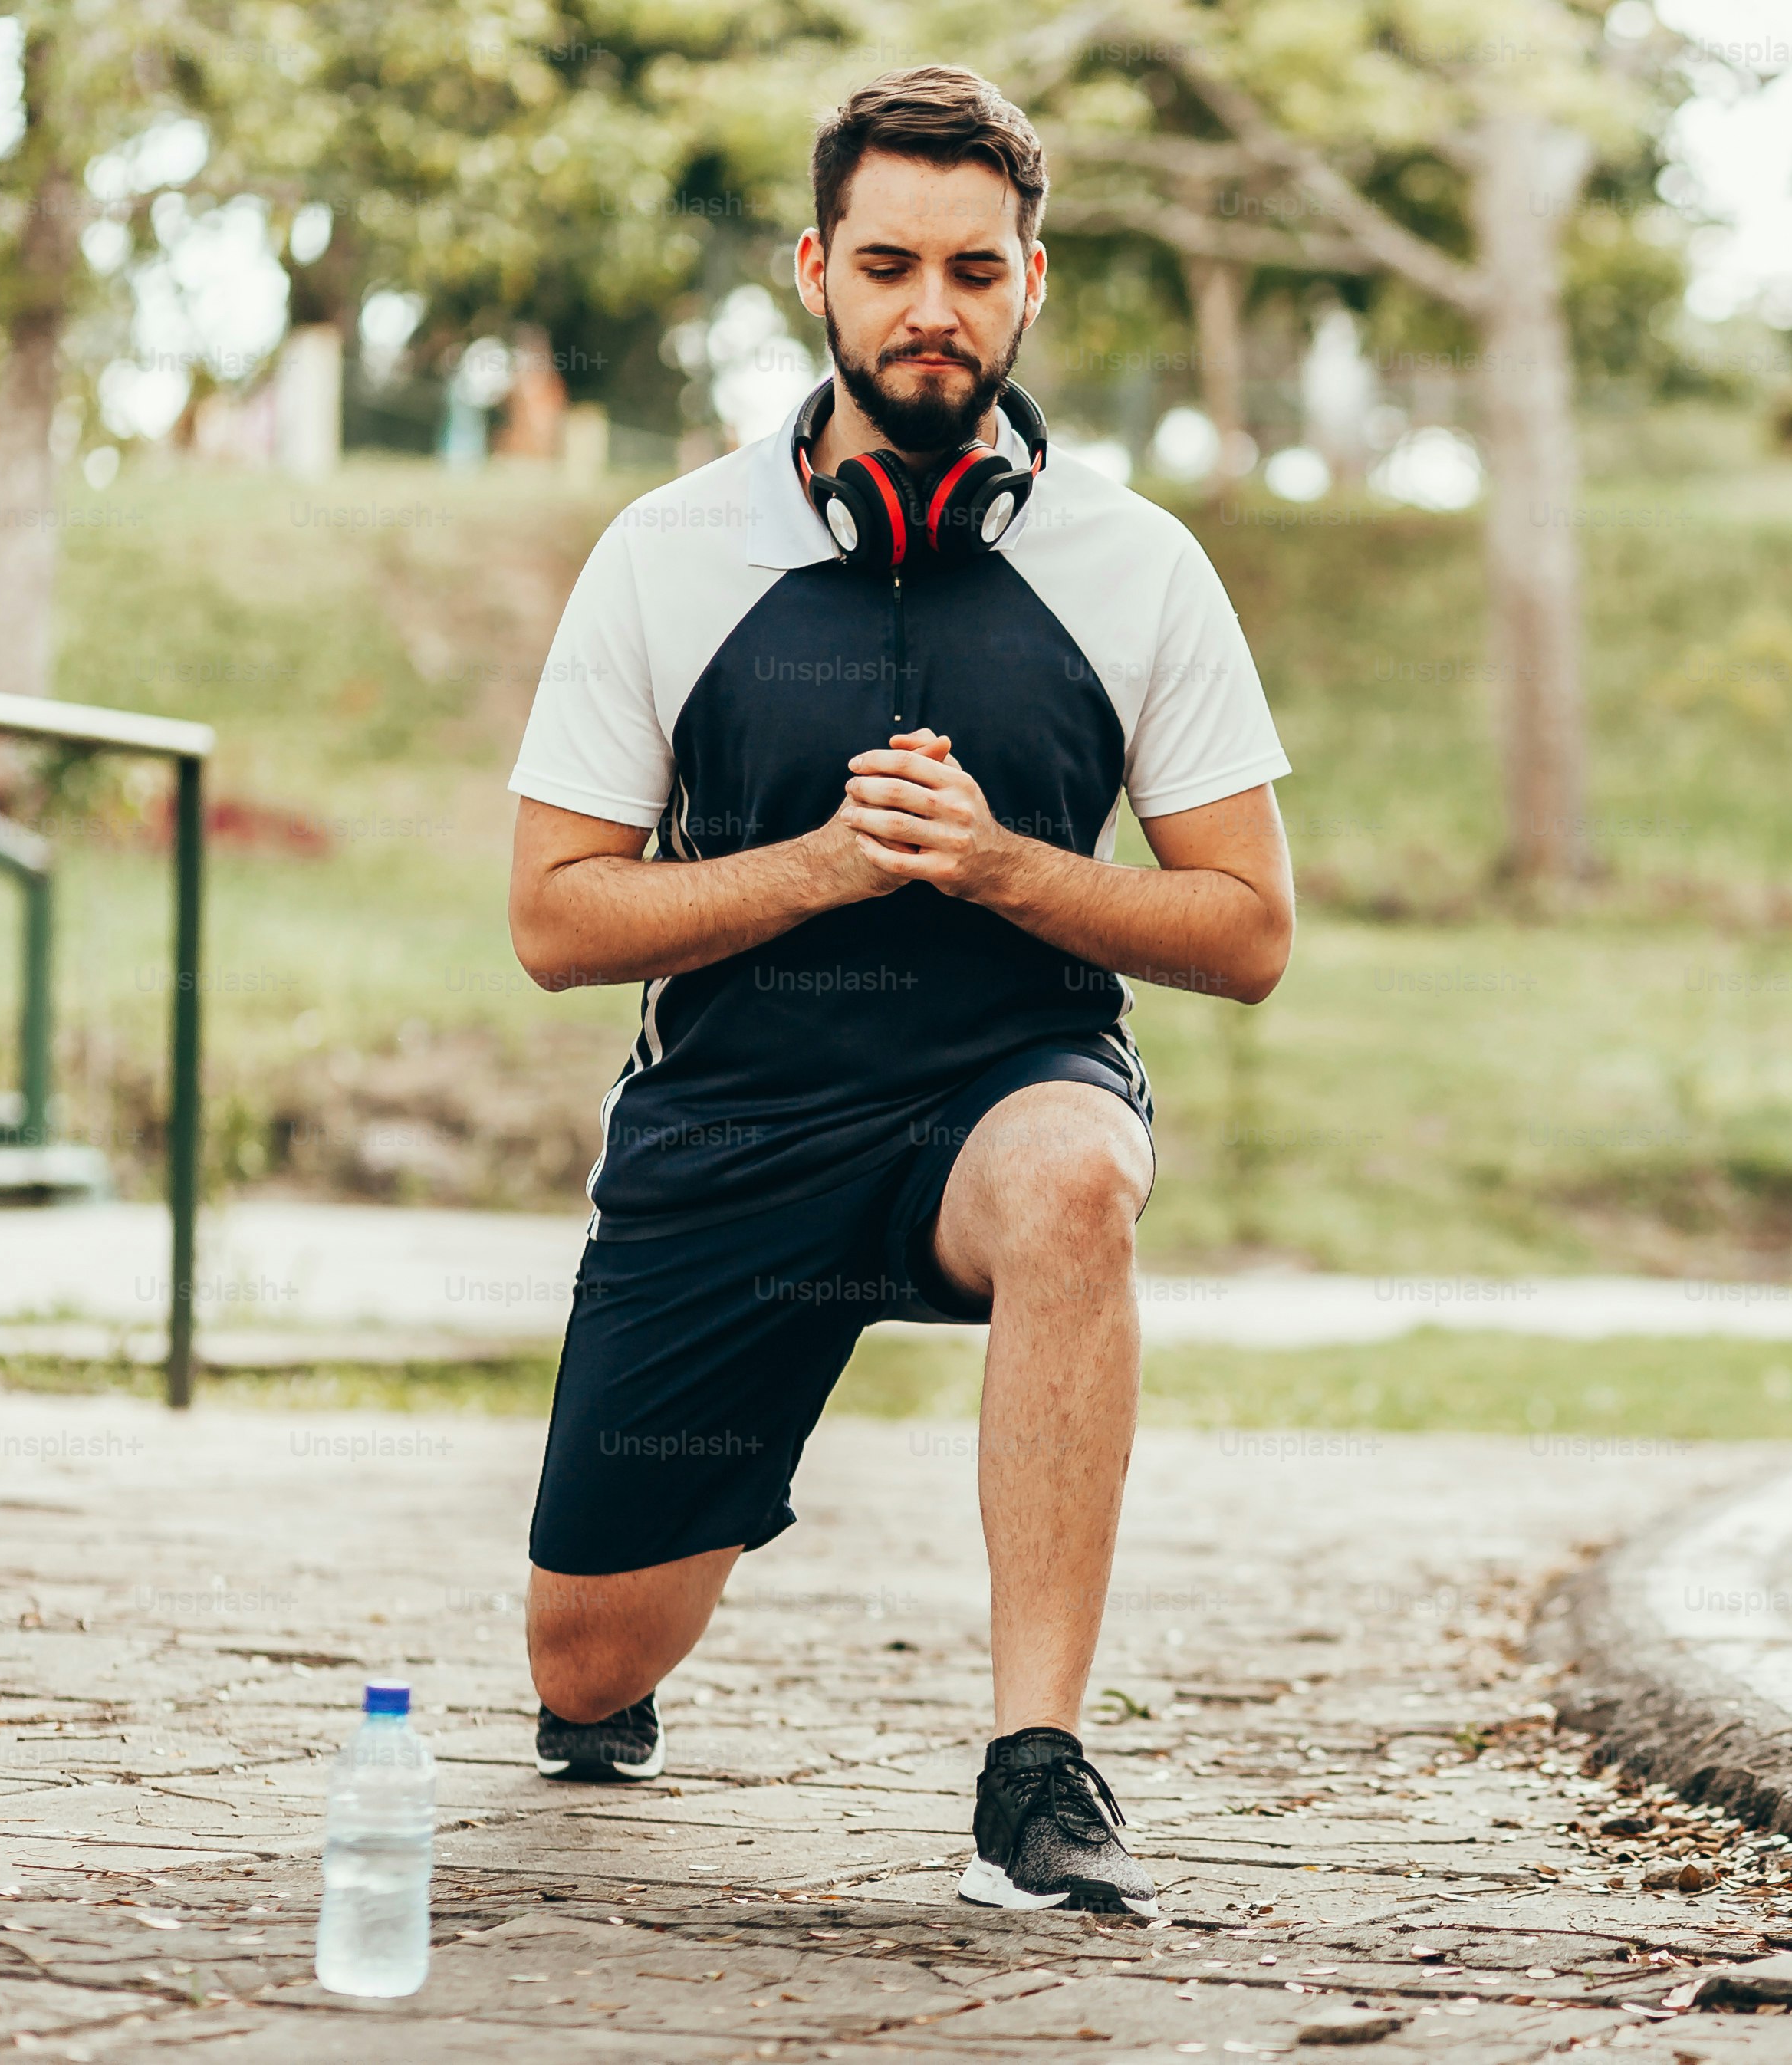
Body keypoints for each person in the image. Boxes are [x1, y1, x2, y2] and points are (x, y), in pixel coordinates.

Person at [500, 64, 1294, 1919]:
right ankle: (636, 1634)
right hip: (733, 1132)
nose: (928, 306)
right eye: (886, 265)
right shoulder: (668, 554)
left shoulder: (1137, 567)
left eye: (971, 265)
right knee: (582, 1663)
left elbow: (1248, 931)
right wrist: (830, 866)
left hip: (1001, 1101)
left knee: (1076, 1183)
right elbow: (551, 917)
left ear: (1034, 282)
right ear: (814, 272)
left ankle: (1035, 1768)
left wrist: (1007, 865)